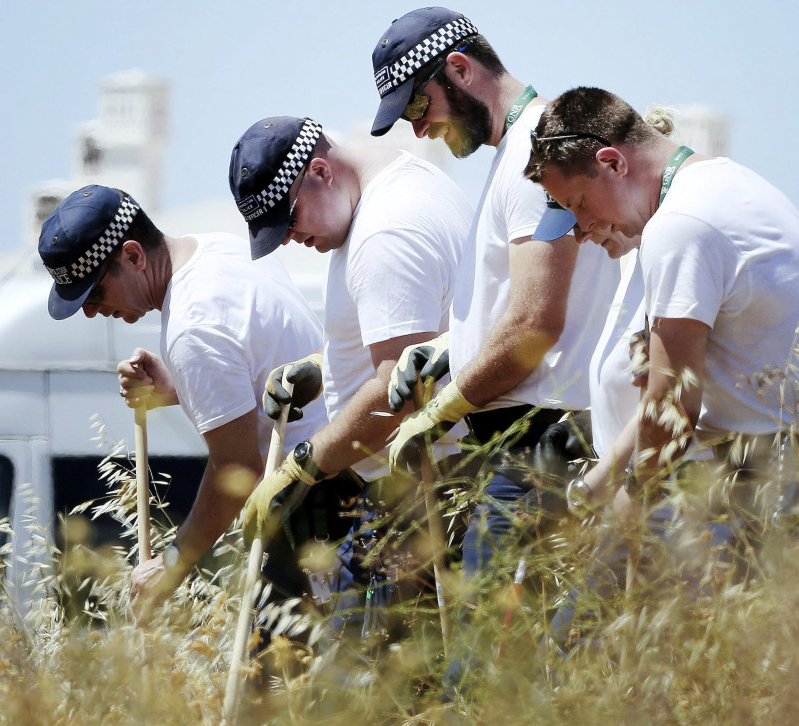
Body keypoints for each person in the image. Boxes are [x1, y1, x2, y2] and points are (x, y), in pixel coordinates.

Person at [525, 86, 799, 563]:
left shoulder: (681, 223)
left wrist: (630, 502)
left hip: (768, 484)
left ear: (613, 163)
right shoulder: (728, 182)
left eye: (579, 202)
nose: (580, 227)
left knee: (577, 636)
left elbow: (673, 402)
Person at [368, 8, 617, 579]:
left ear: (459, 69)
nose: (418, 128)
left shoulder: (534, 152)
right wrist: (455, 346)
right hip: (522, 443)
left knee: (490, 661)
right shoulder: (517, 153)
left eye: (416, 105)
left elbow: (534, 324)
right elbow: (526, 302)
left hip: (536, 444)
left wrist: (439, 411)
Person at [37, 184, 332, 613]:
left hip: (313, 503)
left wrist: (173, 564)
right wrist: (175, 388)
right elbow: (254, 368)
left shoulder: (191, 327)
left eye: (94, 292)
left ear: (133, 256)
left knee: (289, 675)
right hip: (343, 468)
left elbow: (238, 468)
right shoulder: (219, 250)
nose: (91, 311)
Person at [228, 115, 470, 631]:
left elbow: (400, 387)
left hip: (419, 499)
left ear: (320, 171)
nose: (290, 237)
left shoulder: (385, 232)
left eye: (288, 218)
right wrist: (327, 365)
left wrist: (303, 468)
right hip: (412, 492)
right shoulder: (399, 185)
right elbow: (418, 335)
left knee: (391, 692)